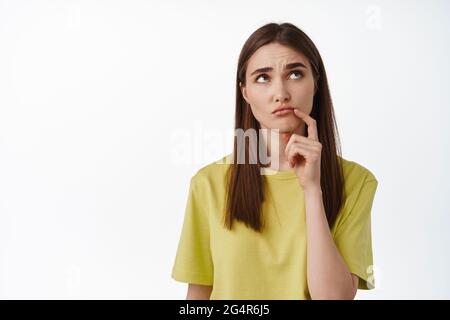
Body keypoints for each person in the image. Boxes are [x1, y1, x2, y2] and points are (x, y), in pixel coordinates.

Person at [171, 22, 378, 300]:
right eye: (263, 78)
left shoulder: (356, 181)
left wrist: (312, 191)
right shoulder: (208, 183)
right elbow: (198, 295)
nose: (280, 92)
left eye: (294, 74)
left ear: (315, 82)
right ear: (245, 92)